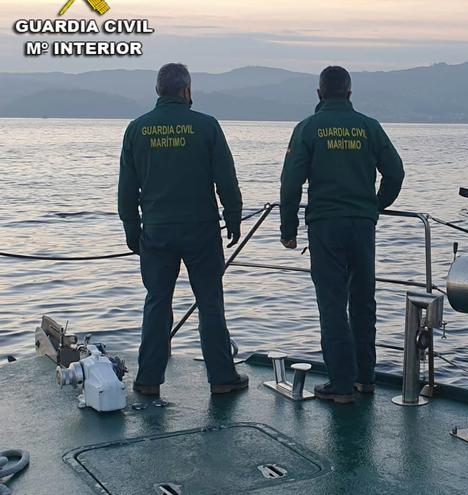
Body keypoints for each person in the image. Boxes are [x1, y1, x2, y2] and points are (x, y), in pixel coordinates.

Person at [118, 63, 248, 396]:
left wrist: (132, 229)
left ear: (158, 90)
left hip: (157, 232)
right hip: (201, 232)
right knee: (210, 303)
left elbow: (126, 189)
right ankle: (221, 378)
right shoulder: (207, 126)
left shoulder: (136, 129)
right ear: (187, 91)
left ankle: (148, 380)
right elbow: (226, 180)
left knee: (157, 303)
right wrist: (233, 217)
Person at [280, 66, 405, 404]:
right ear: (350, 93)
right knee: (363, 301)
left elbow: (291, 184)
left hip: (325, 226)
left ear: (319, 94)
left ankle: (341, 385)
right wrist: (376, 206)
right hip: (362, 226)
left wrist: (288, 229)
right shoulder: (369, 127)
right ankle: (366, 378)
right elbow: (395, 172)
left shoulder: (308, 129)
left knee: (333, 304)